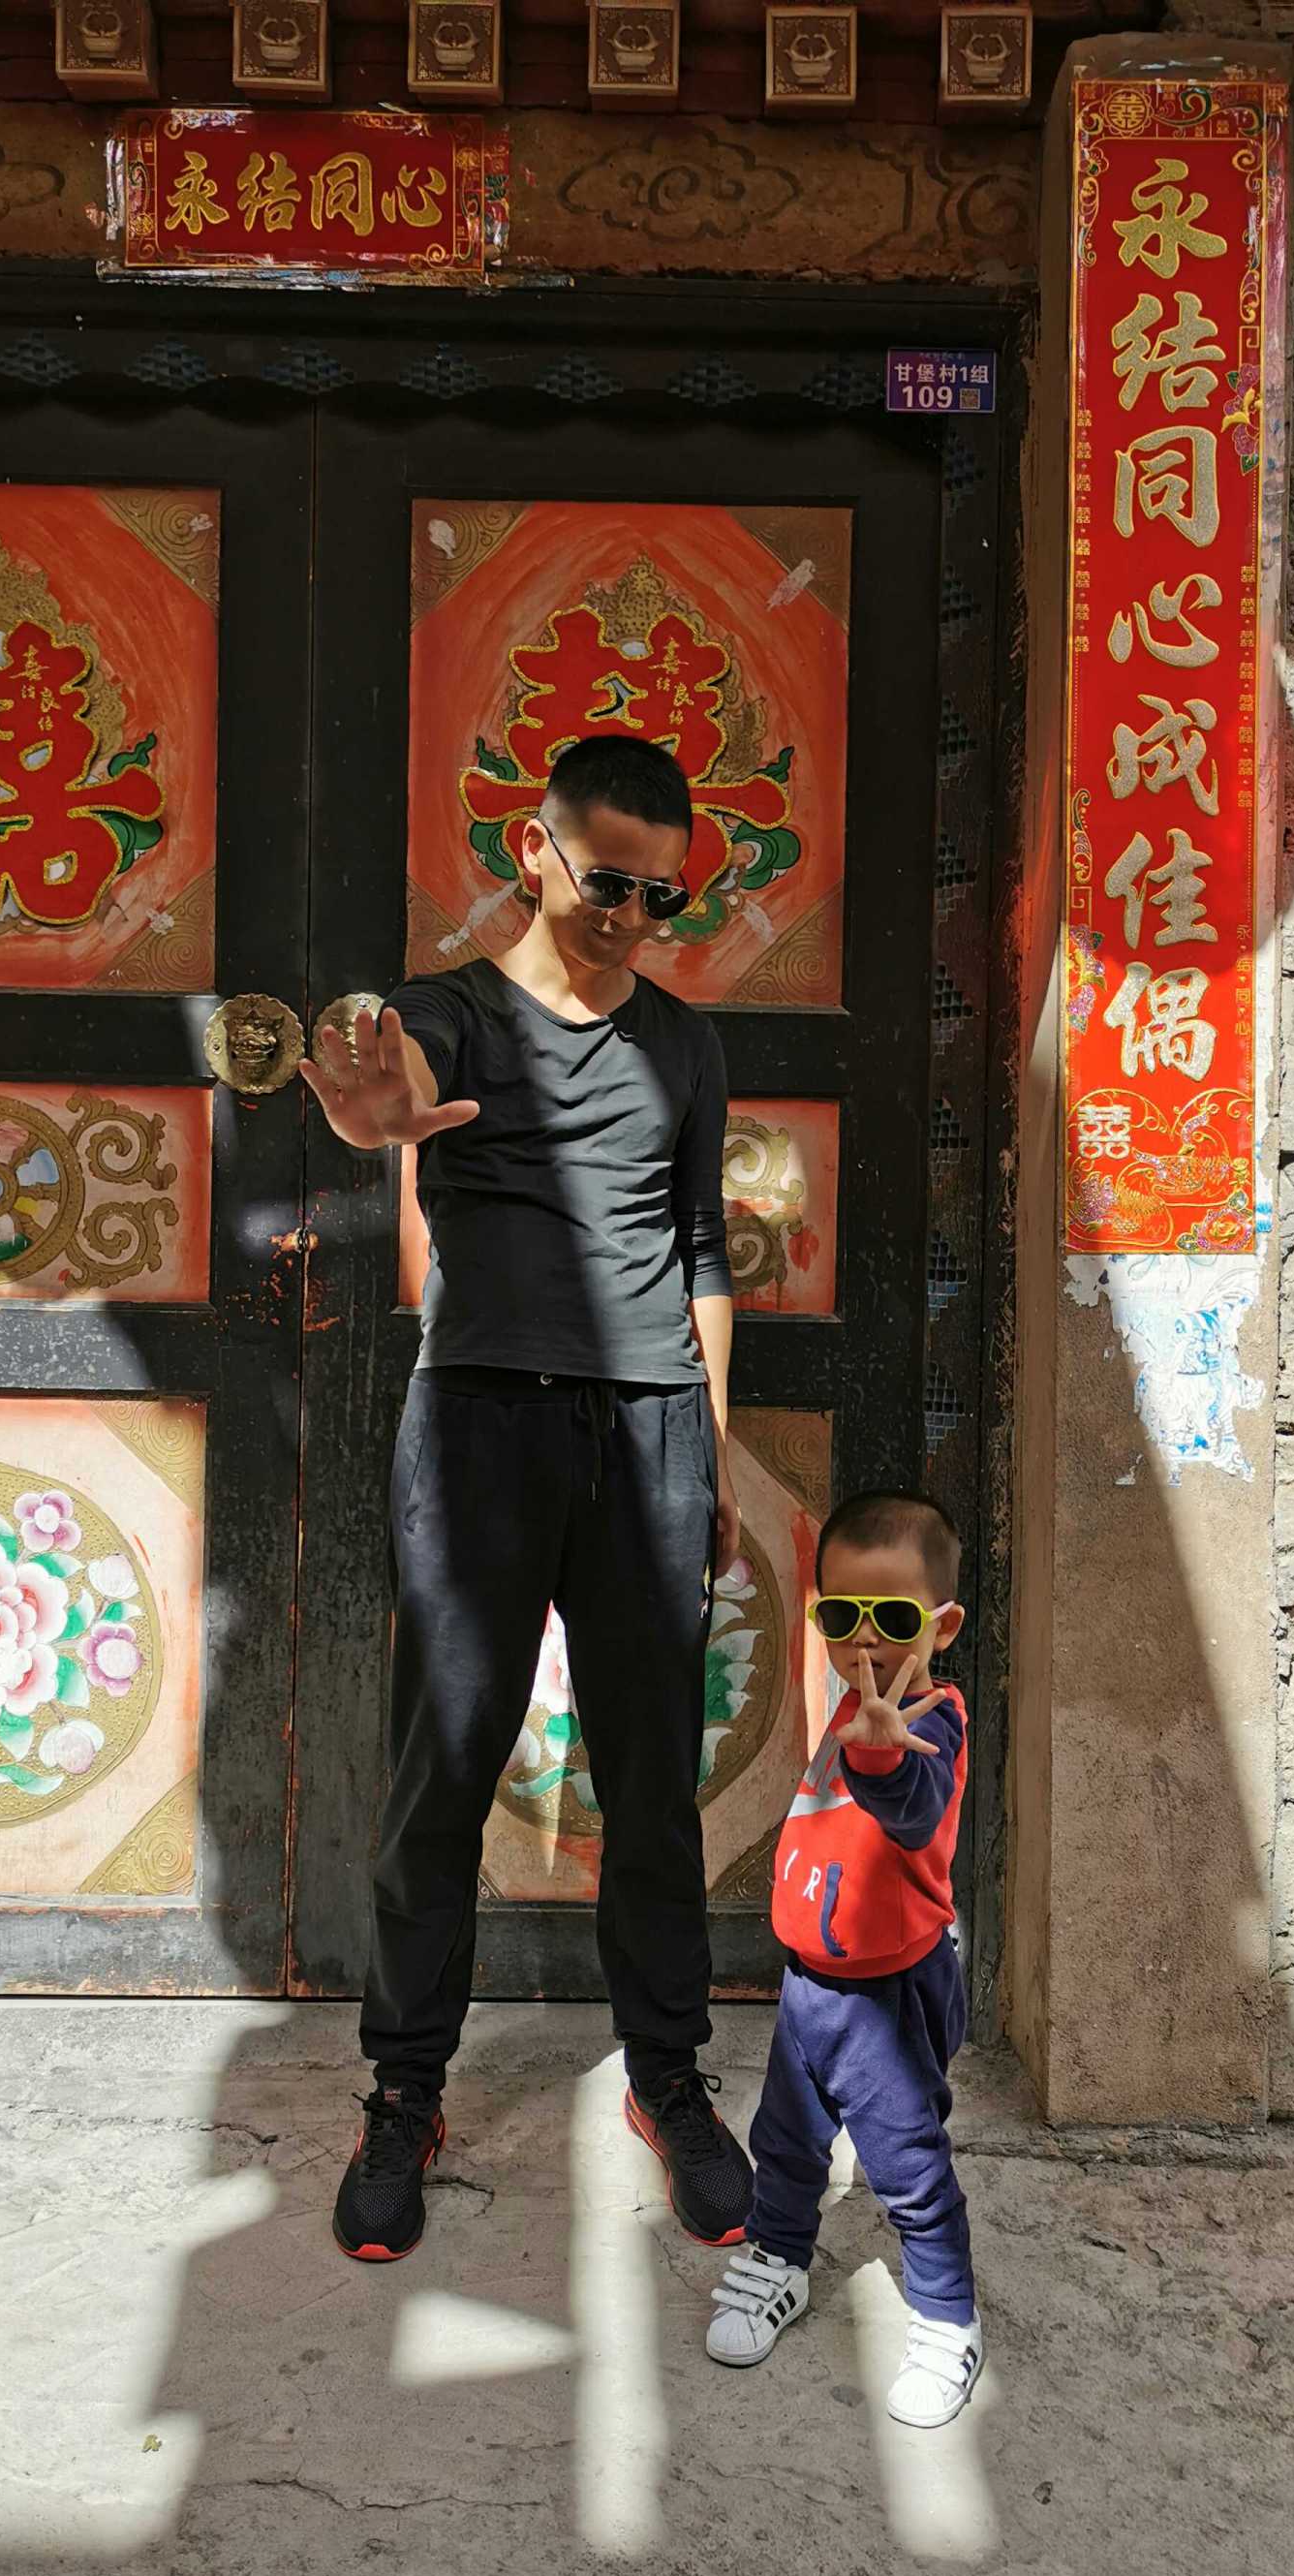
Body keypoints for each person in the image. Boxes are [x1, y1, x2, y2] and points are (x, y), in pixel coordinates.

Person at [299, 732, 755, 2265]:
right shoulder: (454, 1014)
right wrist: (371, 1103)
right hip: (480, 1428)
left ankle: (669, 2077)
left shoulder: (685, 1046)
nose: (633, 917)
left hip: (651, 1431)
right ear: (534, 851)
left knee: (653, 1783)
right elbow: (386, 1087)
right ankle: (404, 2093)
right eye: (609, 881)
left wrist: (714, 1447)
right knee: (441, 1775)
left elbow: (700, 1251)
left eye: (663, 896)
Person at [703, 1491, 983, 2429]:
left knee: (908, 2168)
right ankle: (781, 2258)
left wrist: (882, 1758)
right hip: (810, 1989)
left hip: (887, 1998)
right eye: (843, 1616)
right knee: (786, 2143)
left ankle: (947, 2317)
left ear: (941, 1628)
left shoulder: (929, 1720)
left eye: (893, 1619)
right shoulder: (851, 1709)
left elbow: (916, 1807)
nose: (865, 1640)